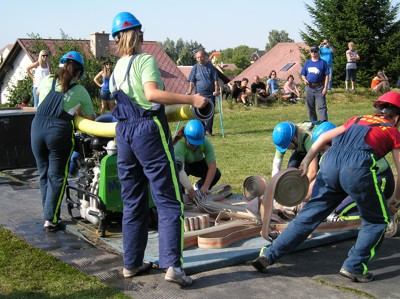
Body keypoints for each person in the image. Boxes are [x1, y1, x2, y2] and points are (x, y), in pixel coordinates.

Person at [253, 91, 400, 283]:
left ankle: (269, 254)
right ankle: (354, 266)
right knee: (377, 222)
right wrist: (395, 200)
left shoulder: (356, 119)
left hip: (330, 164)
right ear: (396, 117)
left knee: (308, 216)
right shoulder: (392, 131)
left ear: (379, 110)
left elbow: (322, 137)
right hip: (356, 169)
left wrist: (306, 160)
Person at [109, 11, 207, 287]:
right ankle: (173, 266)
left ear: (117, 39)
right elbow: (152, 94)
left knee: (133, 200)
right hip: (147, 132)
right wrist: (192, 98)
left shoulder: (116, 68)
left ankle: (131, 263)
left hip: (124, 133)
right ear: (138, 34)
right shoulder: (145, 61)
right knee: (168, 199)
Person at [31, 51, 95, 233]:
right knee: (57, 176)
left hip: (36, 129)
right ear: (79, 73)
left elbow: (37, 93)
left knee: (44, 175)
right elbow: (90, 119)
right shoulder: (80, 90)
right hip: (58, 132)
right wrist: (77, 112)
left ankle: (48, 215)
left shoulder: (48, 80)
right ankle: (51, 220)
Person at [173, 119, 221, 202]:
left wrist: (206, 185)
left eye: (197, 143)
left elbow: (212, 166)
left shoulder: (205, 142)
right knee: (182, 172)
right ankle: (181, 196)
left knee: (216, 174)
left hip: (197, 164)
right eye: (192, 143)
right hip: (183, 167)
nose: (194, 146)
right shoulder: (180, 145)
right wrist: (190, 191)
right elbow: (180, 171)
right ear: (185, 137)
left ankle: (199, 188)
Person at [187, 50, 219, 136]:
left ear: (205, 56)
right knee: (199, 113)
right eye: (198, 57)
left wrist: (216, 90)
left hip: (210, 94)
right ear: (196, 58)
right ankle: (202, 130)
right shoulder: (195, 68)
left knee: (210, 112)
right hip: (199, 94)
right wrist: (189, 91)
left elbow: (215, 80)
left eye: (201, 57)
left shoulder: (211, 67)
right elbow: (191, 81)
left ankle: (208, 130)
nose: (200, 59)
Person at [301, 45, 329, 122]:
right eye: (312, 51)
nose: (314, 53)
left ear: (318, 52)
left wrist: (325, 87)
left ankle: (324, 123)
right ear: (310, 53)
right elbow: (303, 75)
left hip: (319, 87)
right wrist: (304, 80)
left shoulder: (323, 62)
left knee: (321, 106)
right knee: (310, 107)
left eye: (315, 51)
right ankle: (313, 122)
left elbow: (327, 75)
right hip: (309, 87)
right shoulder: (307, 63)